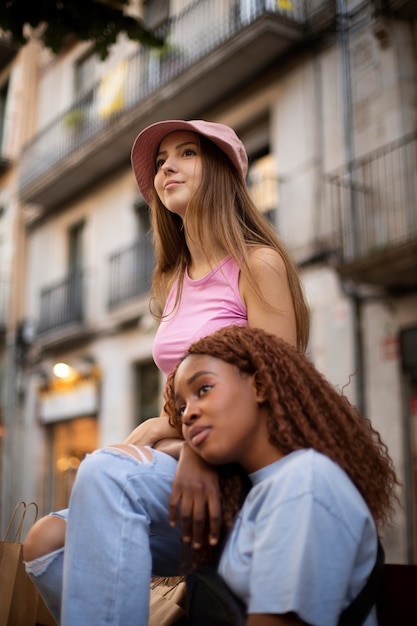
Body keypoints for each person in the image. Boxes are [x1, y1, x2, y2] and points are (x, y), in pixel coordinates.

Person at [23, 119, 310, 625]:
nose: (167, 167)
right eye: (160, 161)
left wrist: (195, 451)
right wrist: (164, 428)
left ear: (221, 173)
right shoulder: (176, 284)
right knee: (44, 541)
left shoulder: (257, 264)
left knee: (105, 471)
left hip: (243, 481)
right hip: (188, 480)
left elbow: (278, 389)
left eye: (187, 154)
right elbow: (178, 401)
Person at [164, 325, 399, 626]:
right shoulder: (257, 492)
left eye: (204, 389)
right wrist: (187, 451)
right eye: (181, 407)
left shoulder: (304, 483)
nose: (188, 414)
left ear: (260, 386)